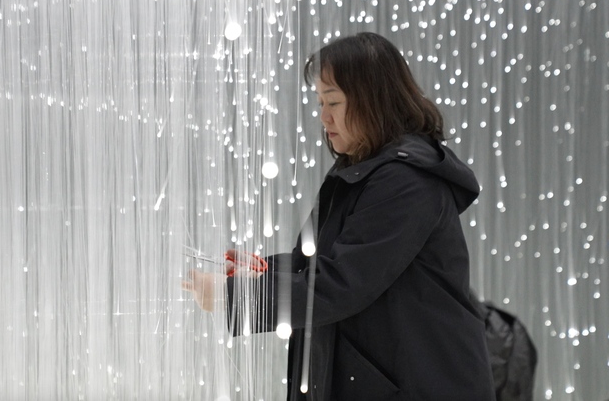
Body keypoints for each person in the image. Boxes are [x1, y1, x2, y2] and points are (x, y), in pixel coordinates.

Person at [182, 32, 496, 401]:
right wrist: (260, 271)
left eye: (333, 102)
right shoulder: (360, 171)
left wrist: (234, 296)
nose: (324, 117)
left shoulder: (407, 181)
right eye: (319, 102)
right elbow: (315, 264)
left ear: (373, 101)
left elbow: (340, 284)